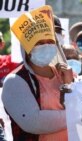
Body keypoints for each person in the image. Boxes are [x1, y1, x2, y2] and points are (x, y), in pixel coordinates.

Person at [2, 6, 73, 141]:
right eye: (39, 43)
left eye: (50, 42)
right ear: (27, 48)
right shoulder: (15, 81)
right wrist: (75, 114)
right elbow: (34, 122)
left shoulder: (65, 74)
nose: (46, 46)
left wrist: (70, 85)